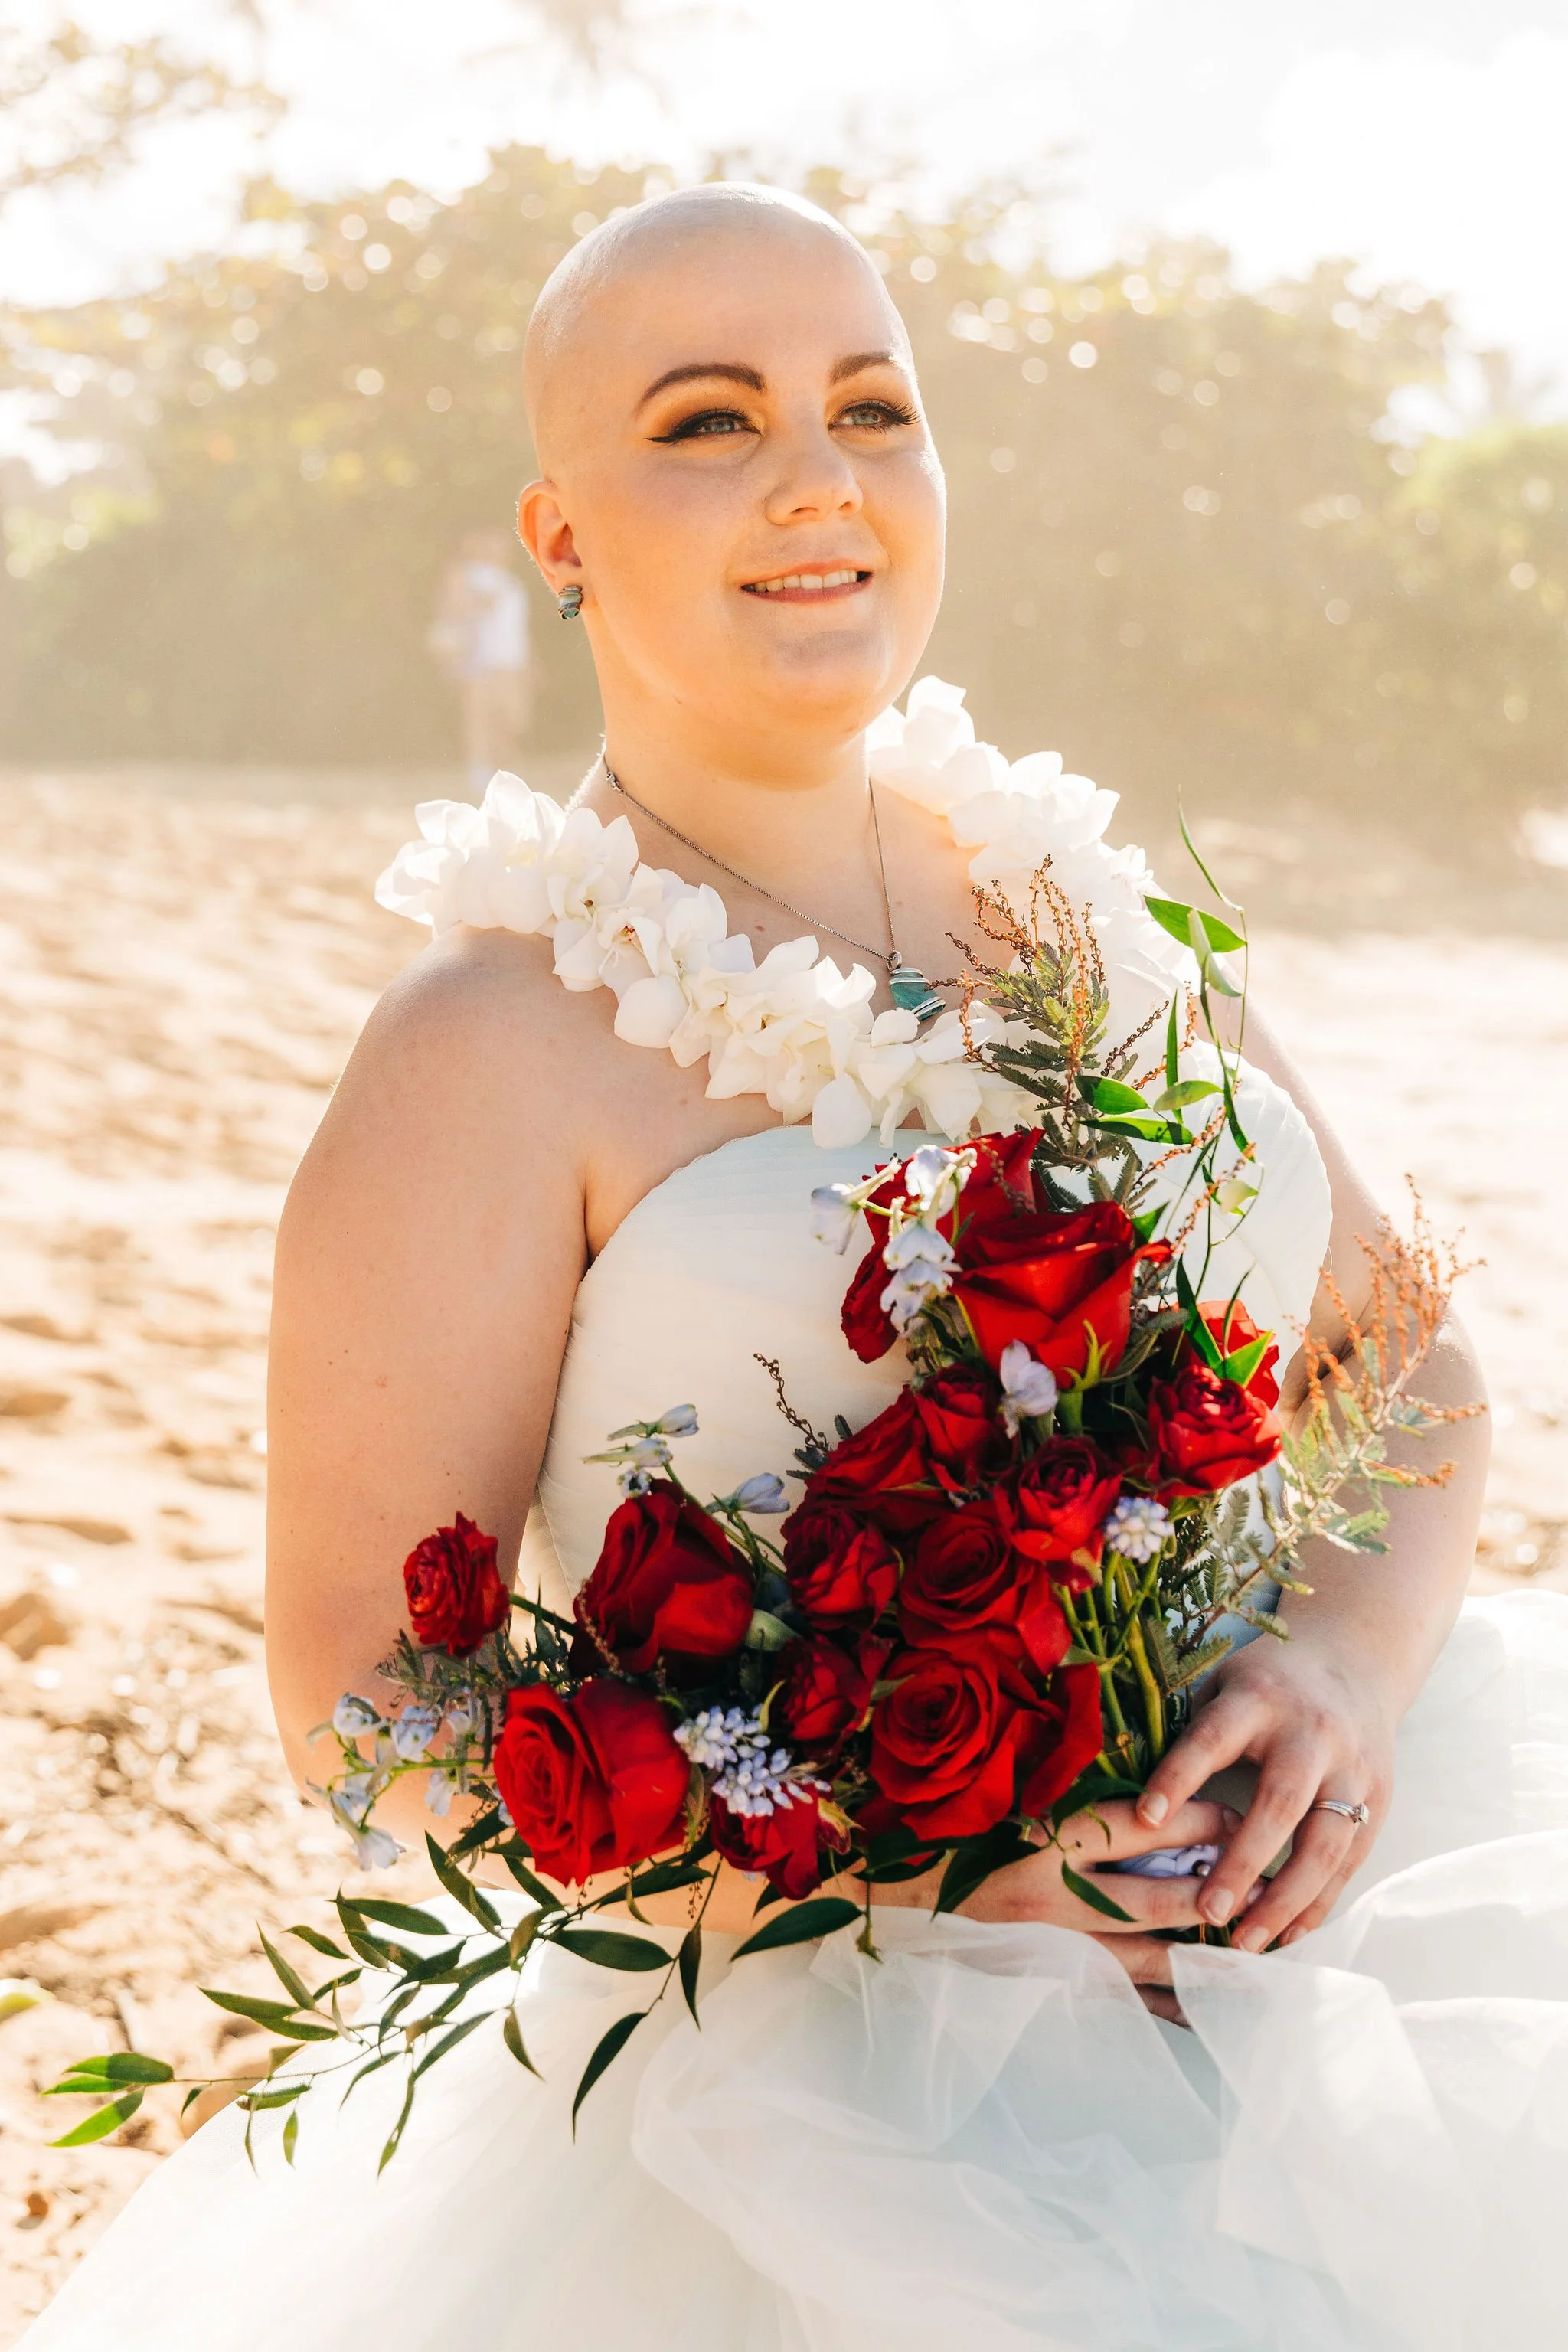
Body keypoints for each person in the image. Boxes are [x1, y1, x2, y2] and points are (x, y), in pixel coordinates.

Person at [25, 185, 1568, 2351]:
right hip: (826, 2079)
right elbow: (366, 1700)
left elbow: (1406, 1367)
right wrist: (911, 1874)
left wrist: (1336, 1672)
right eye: (707, 421)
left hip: (1353, 1931)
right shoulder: (483, 1045)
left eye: (870, 407)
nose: (817, 476)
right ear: (560, 534)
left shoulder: (1085, 899)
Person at [427, 524, 534, 796]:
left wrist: (529, 663)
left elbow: (518, 627)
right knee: (480, 719)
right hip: (480, 661)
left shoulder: (512, 582)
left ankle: (505, 770)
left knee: (511, 720)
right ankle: (480, 774)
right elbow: (459, 609)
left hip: (512, 662)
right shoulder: (467, 576)